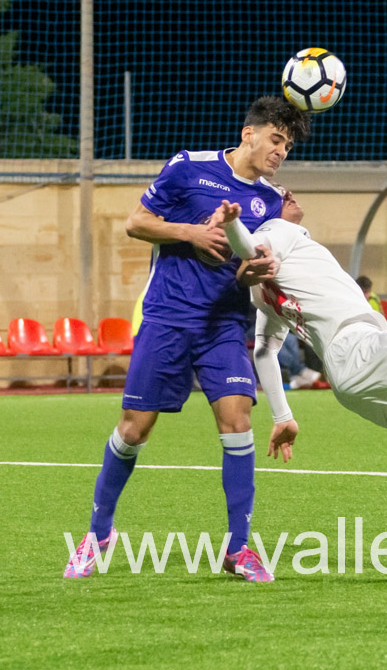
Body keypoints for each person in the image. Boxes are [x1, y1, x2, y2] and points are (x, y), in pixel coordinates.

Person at [63, 96, 312, 582]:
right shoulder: (187, 167)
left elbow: (246, 272)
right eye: (277, 140)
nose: (281, 152)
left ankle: (238, 548)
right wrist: (190, 234)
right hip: (169, 317)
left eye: (288, 146)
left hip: (223, 323)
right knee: (134, 430)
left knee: (237, 420)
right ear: (250, 134)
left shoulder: (269, 202)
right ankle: (98, 533)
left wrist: (262, 261)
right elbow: (136, 223)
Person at [218, 195, 387, 573]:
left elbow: (264, 352)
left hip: (347, 379)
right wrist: (233, 223)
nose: (288, 194)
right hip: (357, 345)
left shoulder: (261, 293)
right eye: (279, 193)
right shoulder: (277, 229)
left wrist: (283, 417)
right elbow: (252, 250)